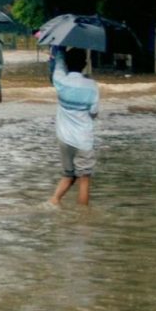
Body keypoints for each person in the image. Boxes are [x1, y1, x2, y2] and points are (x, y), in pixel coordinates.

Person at [48, 47, 99, 206]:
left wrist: (59, 48)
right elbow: (94, 112)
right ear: (84, 64)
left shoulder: (60, 81)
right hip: (83, 140)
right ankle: (82, 216)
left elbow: (58, 62)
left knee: (68, 175)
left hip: (64, 138)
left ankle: (53, 202)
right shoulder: (91, 86)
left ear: (67, 64)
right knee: (84, 179)